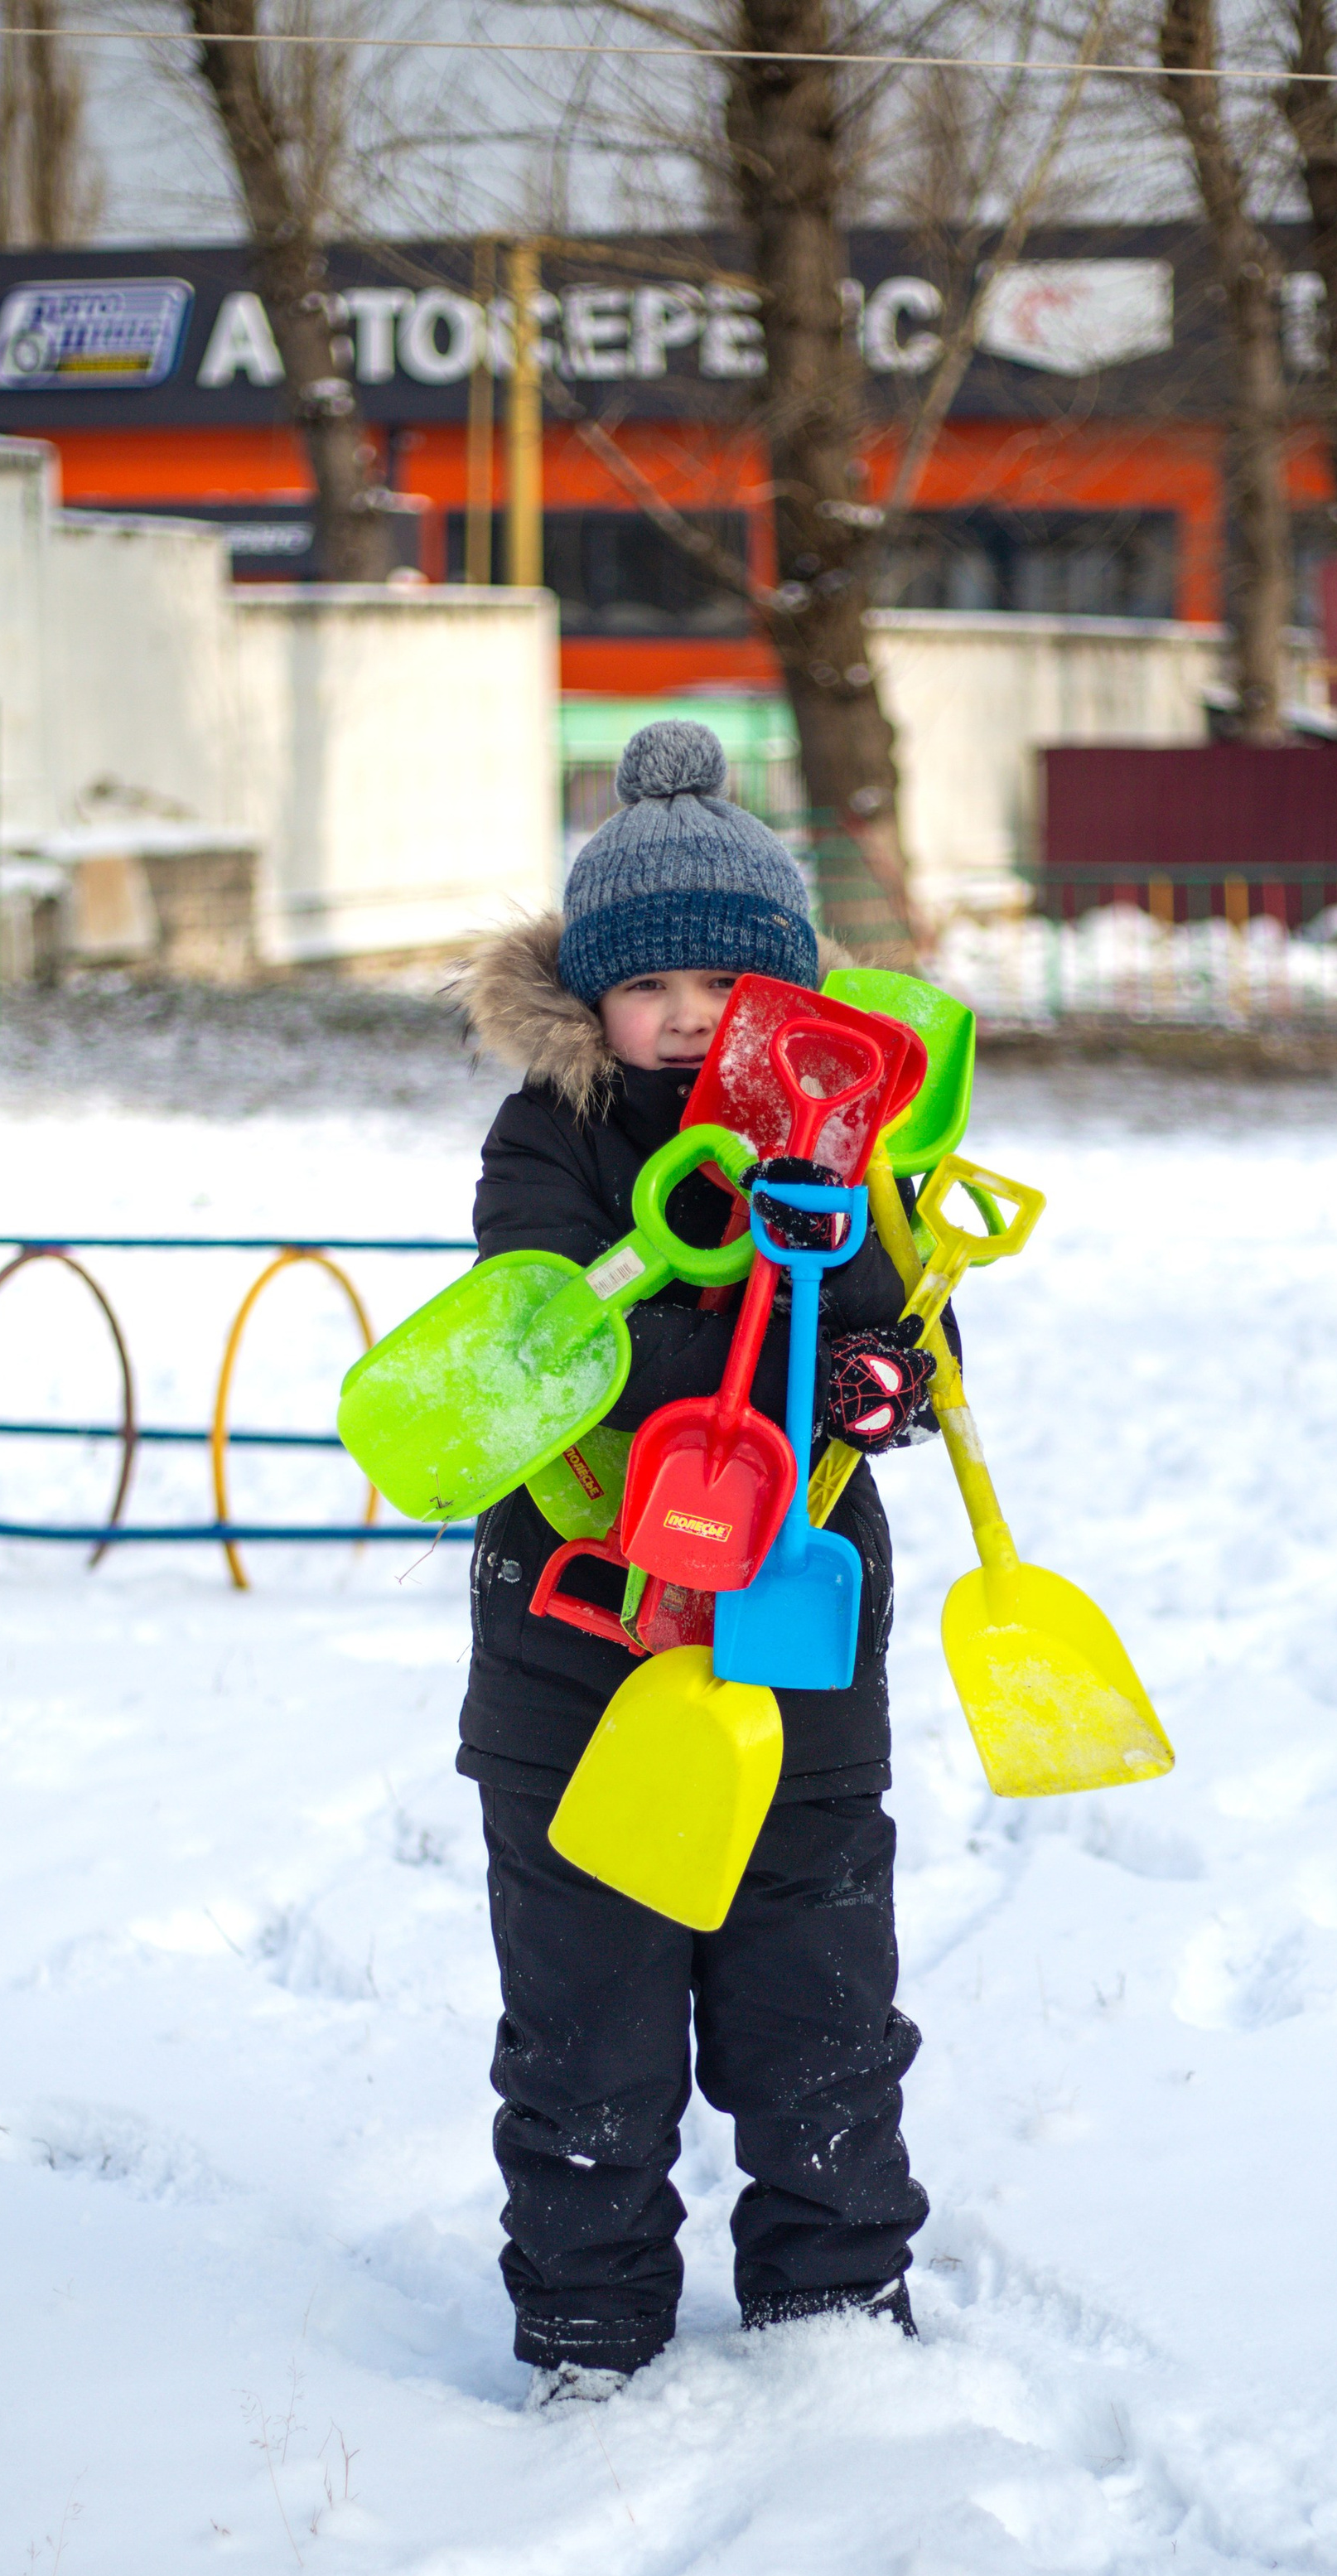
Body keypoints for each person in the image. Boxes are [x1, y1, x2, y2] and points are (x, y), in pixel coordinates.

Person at [452, 718, 939, 2406]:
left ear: (778, 997)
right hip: (576, 1639)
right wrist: (746, 1331)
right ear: (588, 1000)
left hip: (788, 1629)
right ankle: (590, 2331)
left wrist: (882, 1379)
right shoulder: (549, 1144)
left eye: (719, 986)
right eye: (643, 985)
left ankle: (830, 2303)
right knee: (588, 2010)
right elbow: (550, 1337)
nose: (681, 1016)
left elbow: (888, 1320)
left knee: (815, 1989)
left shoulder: (839, 1148)